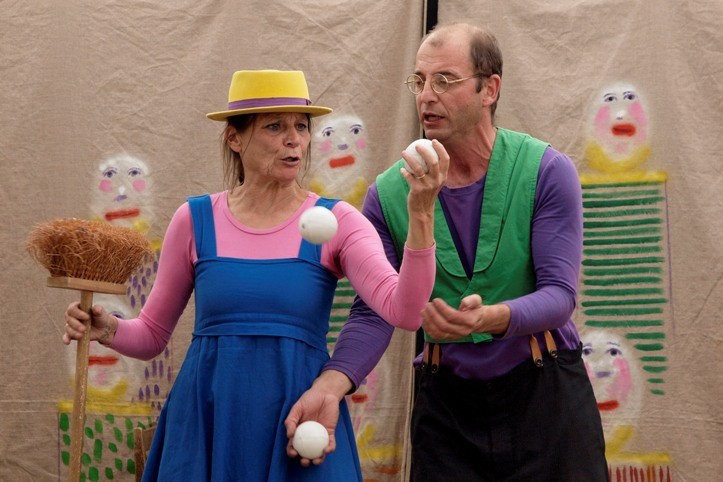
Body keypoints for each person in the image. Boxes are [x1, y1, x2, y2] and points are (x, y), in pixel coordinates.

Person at [63, 69, 448, 481]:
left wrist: (422, 213)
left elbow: (406, 312)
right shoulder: (194, 220)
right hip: (207, 424)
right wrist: (109, 329)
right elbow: (152, 335)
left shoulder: (340, 221)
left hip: (299, 421)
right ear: (235, 138)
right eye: (274, 126)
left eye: (301, 126)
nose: (293, 139)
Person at [344, 23, 609, 481]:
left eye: (445, 80)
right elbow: (373, 311)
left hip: (545, 397)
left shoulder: (546, 170)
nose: (426, 96)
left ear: (490, 89)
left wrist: (489, 318)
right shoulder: (387, 195)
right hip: (446, 412)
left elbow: (560, 296)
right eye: (419, 81)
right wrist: (334, 384)